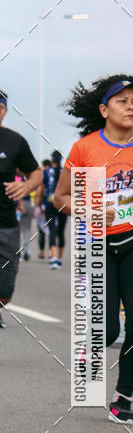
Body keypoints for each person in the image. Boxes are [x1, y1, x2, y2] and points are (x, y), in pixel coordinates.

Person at [54, 75, 133, 422]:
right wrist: (88, 209)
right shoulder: (85, 148)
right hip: (98, 244)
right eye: (123, 101)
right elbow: (60, 198)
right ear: (104, 110)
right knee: (107, 330)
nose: (131, 107)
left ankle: (123, 399)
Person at [0, 90, 43, 328]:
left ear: (5, 111)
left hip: (6, 224)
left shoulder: (14, 141)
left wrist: (26, 186)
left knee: (5, 291)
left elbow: (36, 173)